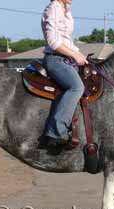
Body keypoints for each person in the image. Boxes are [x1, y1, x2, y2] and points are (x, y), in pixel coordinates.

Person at [41, 0, 88, 149]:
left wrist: (80, 55)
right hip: (55, 60)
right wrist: (75, 55)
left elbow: (67, 41)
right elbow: (53, 42)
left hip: (66, 59)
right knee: (76, 87)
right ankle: (56, 131)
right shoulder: (54, 9)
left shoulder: (65, 10)